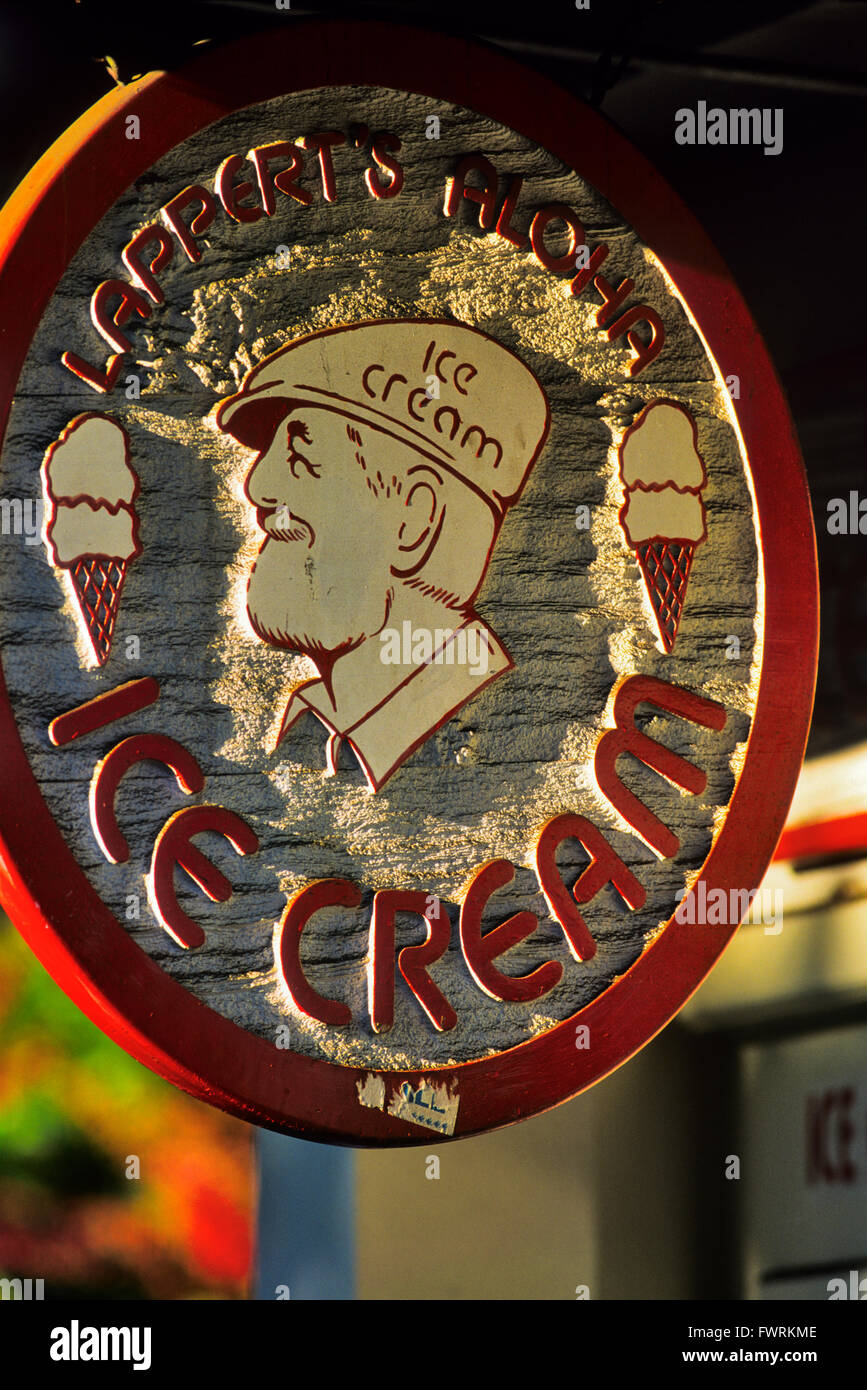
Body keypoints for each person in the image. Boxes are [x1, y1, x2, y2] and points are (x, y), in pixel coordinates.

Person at [215, 318, 549, 791]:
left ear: (415, 519)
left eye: (302, 458)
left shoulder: (519, 750)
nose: (256, 487)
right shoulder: (314, 723)